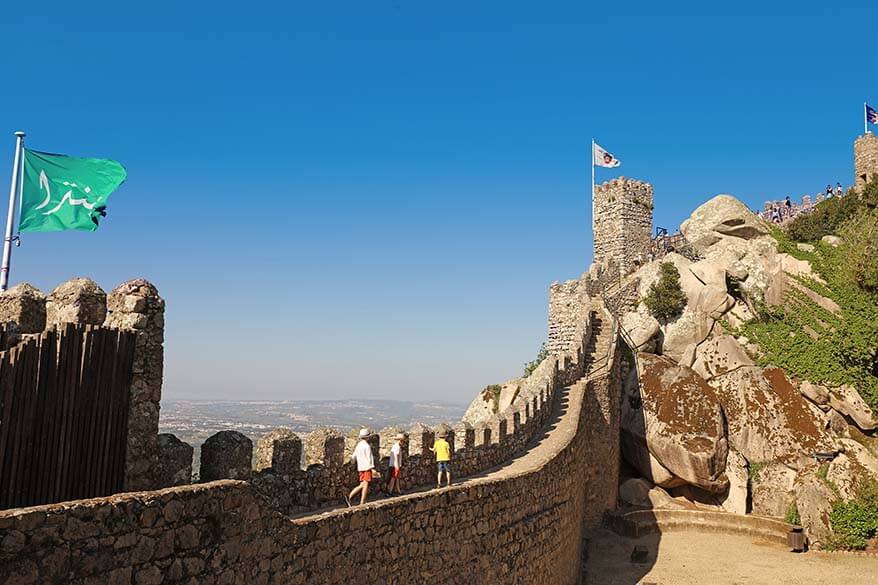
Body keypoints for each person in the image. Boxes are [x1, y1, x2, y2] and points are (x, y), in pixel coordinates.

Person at [345, 428, 377, 507]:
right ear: (367, 437)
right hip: (367, 467)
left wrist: (351, 462)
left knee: (362, 484)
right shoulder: (367, 446)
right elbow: (370, 458)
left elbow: (353, 456)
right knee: (365, 485)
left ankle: (349, 496)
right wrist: (372, 468)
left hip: (360, 467)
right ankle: (362, 502)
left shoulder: (358, 445)